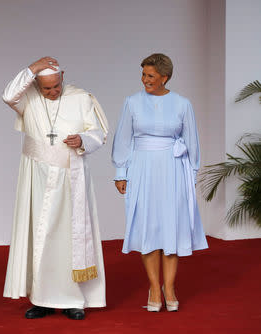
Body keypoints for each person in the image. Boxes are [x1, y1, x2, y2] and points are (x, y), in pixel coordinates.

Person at [2, 57, 108, 320]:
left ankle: (74, 300)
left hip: (71, 178)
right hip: (37, 179)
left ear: (63, 77)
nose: (52, 92)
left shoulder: (81, 97)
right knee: (41, 236)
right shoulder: (30, 98)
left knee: (69, 239)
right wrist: (32, 68)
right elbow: (7, 96)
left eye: (56, 86)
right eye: (46, 88)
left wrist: (82, 139)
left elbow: (99, 133)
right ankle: (42, 300)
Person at [112, 53, 208, 312]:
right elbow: (123, 138)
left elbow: (192, 140)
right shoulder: (131, 102)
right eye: (143, 74)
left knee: (171, 227)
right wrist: (121, 172)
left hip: (174, 169)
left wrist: (192, 174)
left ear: (165, 77)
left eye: (150, 76)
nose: (145, 80)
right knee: (147, 227)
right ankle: (154, 286)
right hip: (141, 168)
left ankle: (170, 287)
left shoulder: (182, 103)